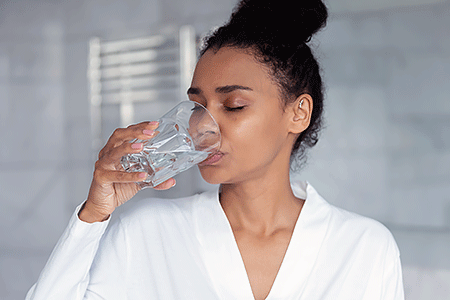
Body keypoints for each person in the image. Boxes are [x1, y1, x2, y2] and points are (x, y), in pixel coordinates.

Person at [26, 0, 404, 299]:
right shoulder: (146, 233)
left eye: (234, 105)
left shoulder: (363, 248)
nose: (203, 127)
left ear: (298, 113)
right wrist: (94, 213)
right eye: (198, 106)